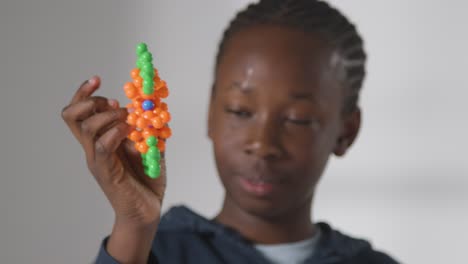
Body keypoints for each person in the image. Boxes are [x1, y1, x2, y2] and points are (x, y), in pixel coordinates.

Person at [61, 0, 399, 263]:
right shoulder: (149, 251)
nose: (262, 143)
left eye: (297, 118)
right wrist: (134, 225)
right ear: (210, 112)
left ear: (346, 131)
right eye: (240, 111)